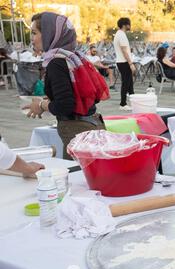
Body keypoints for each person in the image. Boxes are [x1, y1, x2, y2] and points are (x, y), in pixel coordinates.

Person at [24, 12, 108, 160]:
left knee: (78, 180)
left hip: (78, 132)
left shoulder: (56, 63)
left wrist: (42, 105)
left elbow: (65, 105)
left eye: (34, 33)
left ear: (50, 34)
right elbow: (84, 95)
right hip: (93, 126)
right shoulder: (73, 57)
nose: (32, 38)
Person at [114, 17, 135, 111]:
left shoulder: (120, 34)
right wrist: (131, 63)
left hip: (123, 61)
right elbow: (123, 50)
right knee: (126, 83)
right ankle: (123, 104)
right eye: (129, 24)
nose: (130, 26)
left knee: (129, 83)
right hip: (124, 62)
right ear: (124, 25)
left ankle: (134, 102)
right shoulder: (121, 35)